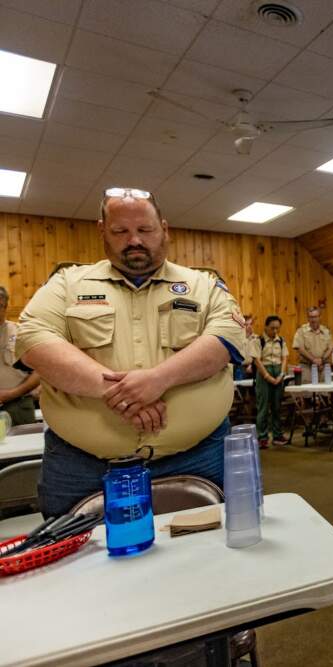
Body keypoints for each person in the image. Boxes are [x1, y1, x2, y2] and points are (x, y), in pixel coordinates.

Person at [16, 187, 246, 517]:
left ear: (164, 230)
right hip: (81, 467)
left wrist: (158, 379)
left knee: (211, 558)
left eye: (145, 230)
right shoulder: (67, 284)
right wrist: (122, 392)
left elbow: (228, 337)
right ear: (102, 231)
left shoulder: (203, 285)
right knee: (78, 563)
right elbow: (33, 340)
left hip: (199, 457)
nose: (134, 240)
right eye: (120, 231)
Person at [0, 286, 40, 425]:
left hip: (18, 406)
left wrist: (11, 393)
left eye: (0, 306)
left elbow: (39, 372)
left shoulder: (21, 334)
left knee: (25, 446)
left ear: (6, 307)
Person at [253, 315, 289, 447]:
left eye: (277, 328)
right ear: (266, 327)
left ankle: (277, 435)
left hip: (278, 371)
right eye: (272, 328)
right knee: (263, 407)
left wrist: (281, 374)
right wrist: (268, 377)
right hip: (264, 372)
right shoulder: (259, 340)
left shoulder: (281, 341)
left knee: (277, 406)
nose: (275, 331)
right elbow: (257, 360)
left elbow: (285, 358)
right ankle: (262, 437)